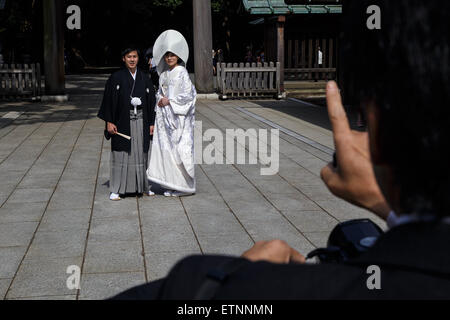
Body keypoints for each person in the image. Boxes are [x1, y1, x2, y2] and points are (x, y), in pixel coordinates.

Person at [112, 0, 450, 299]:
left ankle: (179, 184)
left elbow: (183, 287)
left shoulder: (291, 288)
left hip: (178, 120)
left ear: (373, 122)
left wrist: (236, 281)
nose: (169, 59)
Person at [98, 47, 156, 201]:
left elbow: (151, 101)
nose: (132, 59)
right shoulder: (116, 77)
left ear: (138, 58)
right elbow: (109, 101)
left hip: (141, 121)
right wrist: (109, 122)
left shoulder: (144, 77)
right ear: (123, 59)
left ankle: (142, 186)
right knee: (121, 153)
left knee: (141, 153)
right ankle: (116, 189)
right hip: (122, 121)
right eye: (129, 56)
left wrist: (151, 122)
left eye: (135, 56)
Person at [146, 30, 196, 197]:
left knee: (179, 150)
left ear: (178, 56)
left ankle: (184, 187)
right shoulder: (163, 74)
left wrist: (170, 102)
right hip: (165, 118)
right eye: (167, 55)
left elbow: (189, 95)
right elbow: (160, 92)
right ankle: (171, 182)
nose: (169, 58)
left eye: (173, 55)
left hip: (178, 118)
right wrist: (161, 99)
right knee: (167, 151)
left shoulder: (182, 72)